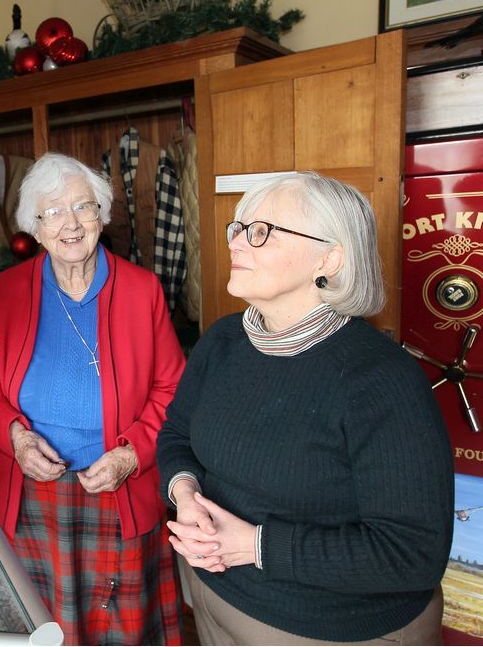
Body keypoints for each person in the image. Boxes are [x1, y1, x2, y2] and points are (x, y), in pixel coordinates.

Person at [157, 171, 454, 645]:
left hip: (328, 628)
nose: (235, 242)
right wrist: (184, 491)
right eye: (239, 228)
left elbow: (412, 554)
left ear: (329, 258)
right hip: (212, 596)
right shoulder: (222, 341)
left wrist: (254, 545)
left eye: (261, 231)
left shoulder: (381, 379)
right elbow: (177, 434)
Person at [0, 152, 185, 646]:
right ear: (35, 228)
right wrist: (16, 438)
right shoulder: (8, 290)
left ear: (101, 216)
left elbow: (173, 389)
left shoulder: (142, 290)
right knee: (44, 623)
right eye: (53, 212)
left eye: (83, 207)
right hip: (32, 495)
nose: (71, 223)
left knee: (123, 630)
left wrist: (132, 454)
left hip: (118, 487)